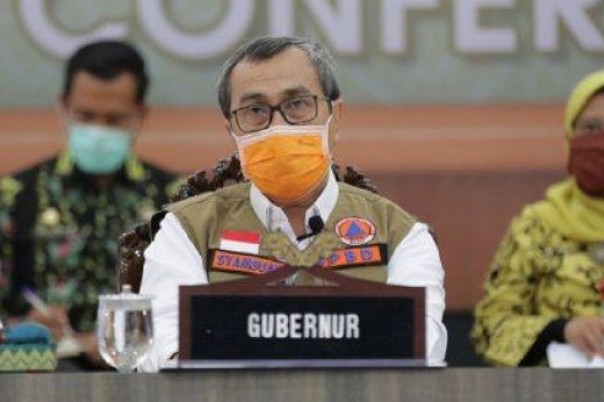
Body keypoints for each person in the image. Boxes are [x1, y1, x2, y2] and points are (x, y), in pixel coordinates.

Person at [139, 36, 447, 371]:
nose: (278, 126)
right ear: (232, 130)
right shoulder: (187, 230)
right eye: (255, 111)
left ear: (335, 116)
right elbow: (166, 351)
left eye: (297, 104)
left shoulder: (401, 235)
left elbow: (420, 350)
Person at [0, 40, 179, 369]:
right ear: (63, 107)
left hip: (145, 377)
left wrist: (134, 336)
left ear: (140, 115)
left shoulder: (176, 201)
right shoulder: (13, 196)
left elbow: (197, 313)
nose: (98, 130)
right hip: (41, 375)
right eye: (85, 116)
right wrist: (21, 328)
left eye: (114, 119)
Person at [471, 70, 604, 366]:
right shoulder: (535, 226)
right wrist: (562, 330)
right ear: (570, 135)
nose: (601, 141)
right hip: (555, 386)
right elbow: (489, 330)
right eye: (591, 127)